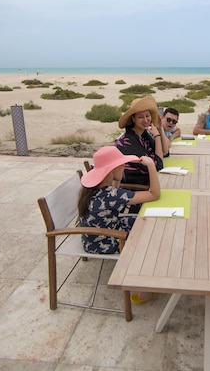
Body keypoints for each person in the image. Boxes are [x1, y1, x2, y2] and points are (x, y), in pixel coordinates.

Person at [78, 145, 160, 303]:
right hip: (103, 241)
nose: (124, 167)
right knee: (145, 239)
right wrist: (151, 165)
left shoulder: (97, 188)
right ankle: (141, 286)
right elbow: (154, 194)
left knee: (146, 223)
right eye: (121, 165)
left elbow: (113, 194)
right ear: (111, 170)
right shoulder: (111, 195)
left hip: (96, 235)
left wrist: (117, 177)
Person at [115, 96, 164, 185]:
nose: (145, 120)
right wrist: (157, 135)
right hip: (133, 186)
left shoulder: (143, 134)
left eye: (147, 115)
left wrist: (159, 130)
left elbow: (163, 153)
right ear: (133, 119)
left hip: (144, 181)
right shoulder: (128, 141)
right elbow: (158, 164)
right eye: (140, 117)